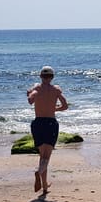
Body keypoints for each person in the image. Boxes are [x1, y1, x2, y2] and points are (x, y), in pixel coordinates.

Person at [26, 65, 68, 194]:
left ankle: (44, 186)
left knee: (42, 156)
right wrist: (54, 109)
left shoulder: (36, 88)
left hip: (38, 123)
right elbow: (65, 106)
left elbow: (30, 100)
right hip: (50, 123)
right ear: (52, 77)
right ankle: (39, 172)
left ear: (40, 77)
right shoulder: (56, 89)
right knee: (46, 157)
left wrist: (29, 93)